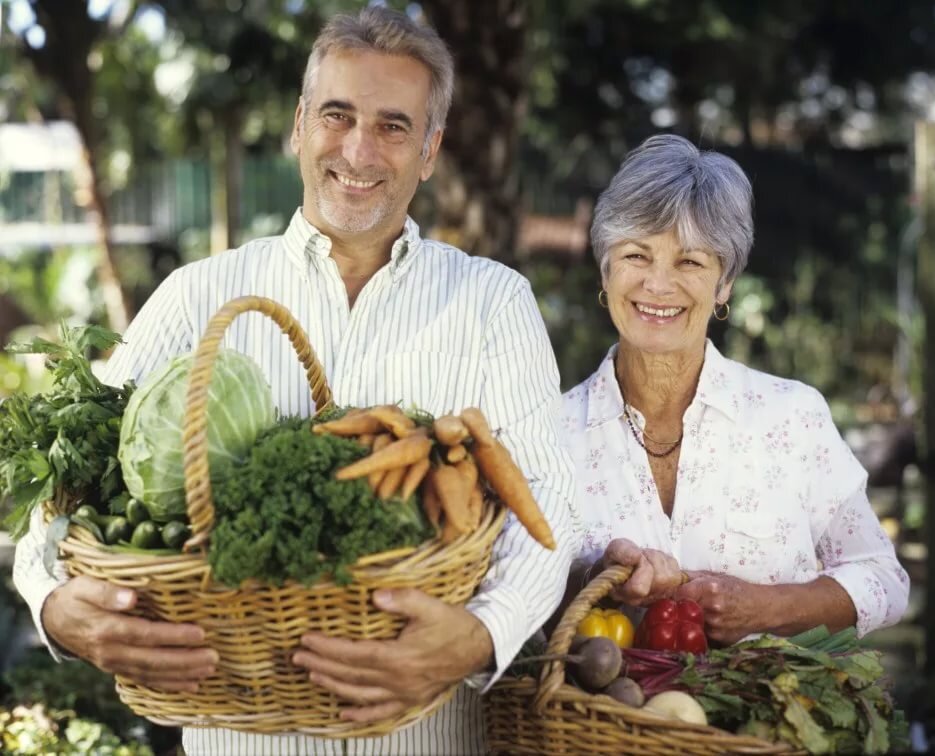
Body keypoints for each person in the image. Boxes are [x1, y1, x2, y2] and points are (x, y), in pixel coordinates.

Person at [13, 7, 576, 754]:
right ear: (299, 126)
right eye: (337, 116)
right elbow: (64, 486)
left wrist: (480, 636)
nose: (357, 149)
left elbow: (549, 513)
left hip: (428, 737)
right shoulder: (197, 295)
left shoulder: (492, 302)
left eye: (393, 126)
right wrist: (54, 606)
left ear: (431, 151)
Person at [559, 134, 908, 644]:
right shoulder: (548, 434)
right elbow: (514, 612)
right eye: (636, 255)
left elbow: (885, 581)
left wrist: (765, 609)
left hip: (771, 723)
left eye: (690, 262)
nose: (657, 285)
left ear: (724, 285)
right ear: (605, 269)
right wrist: (593, 583)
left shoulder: (792, 418)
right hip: (600, 726)